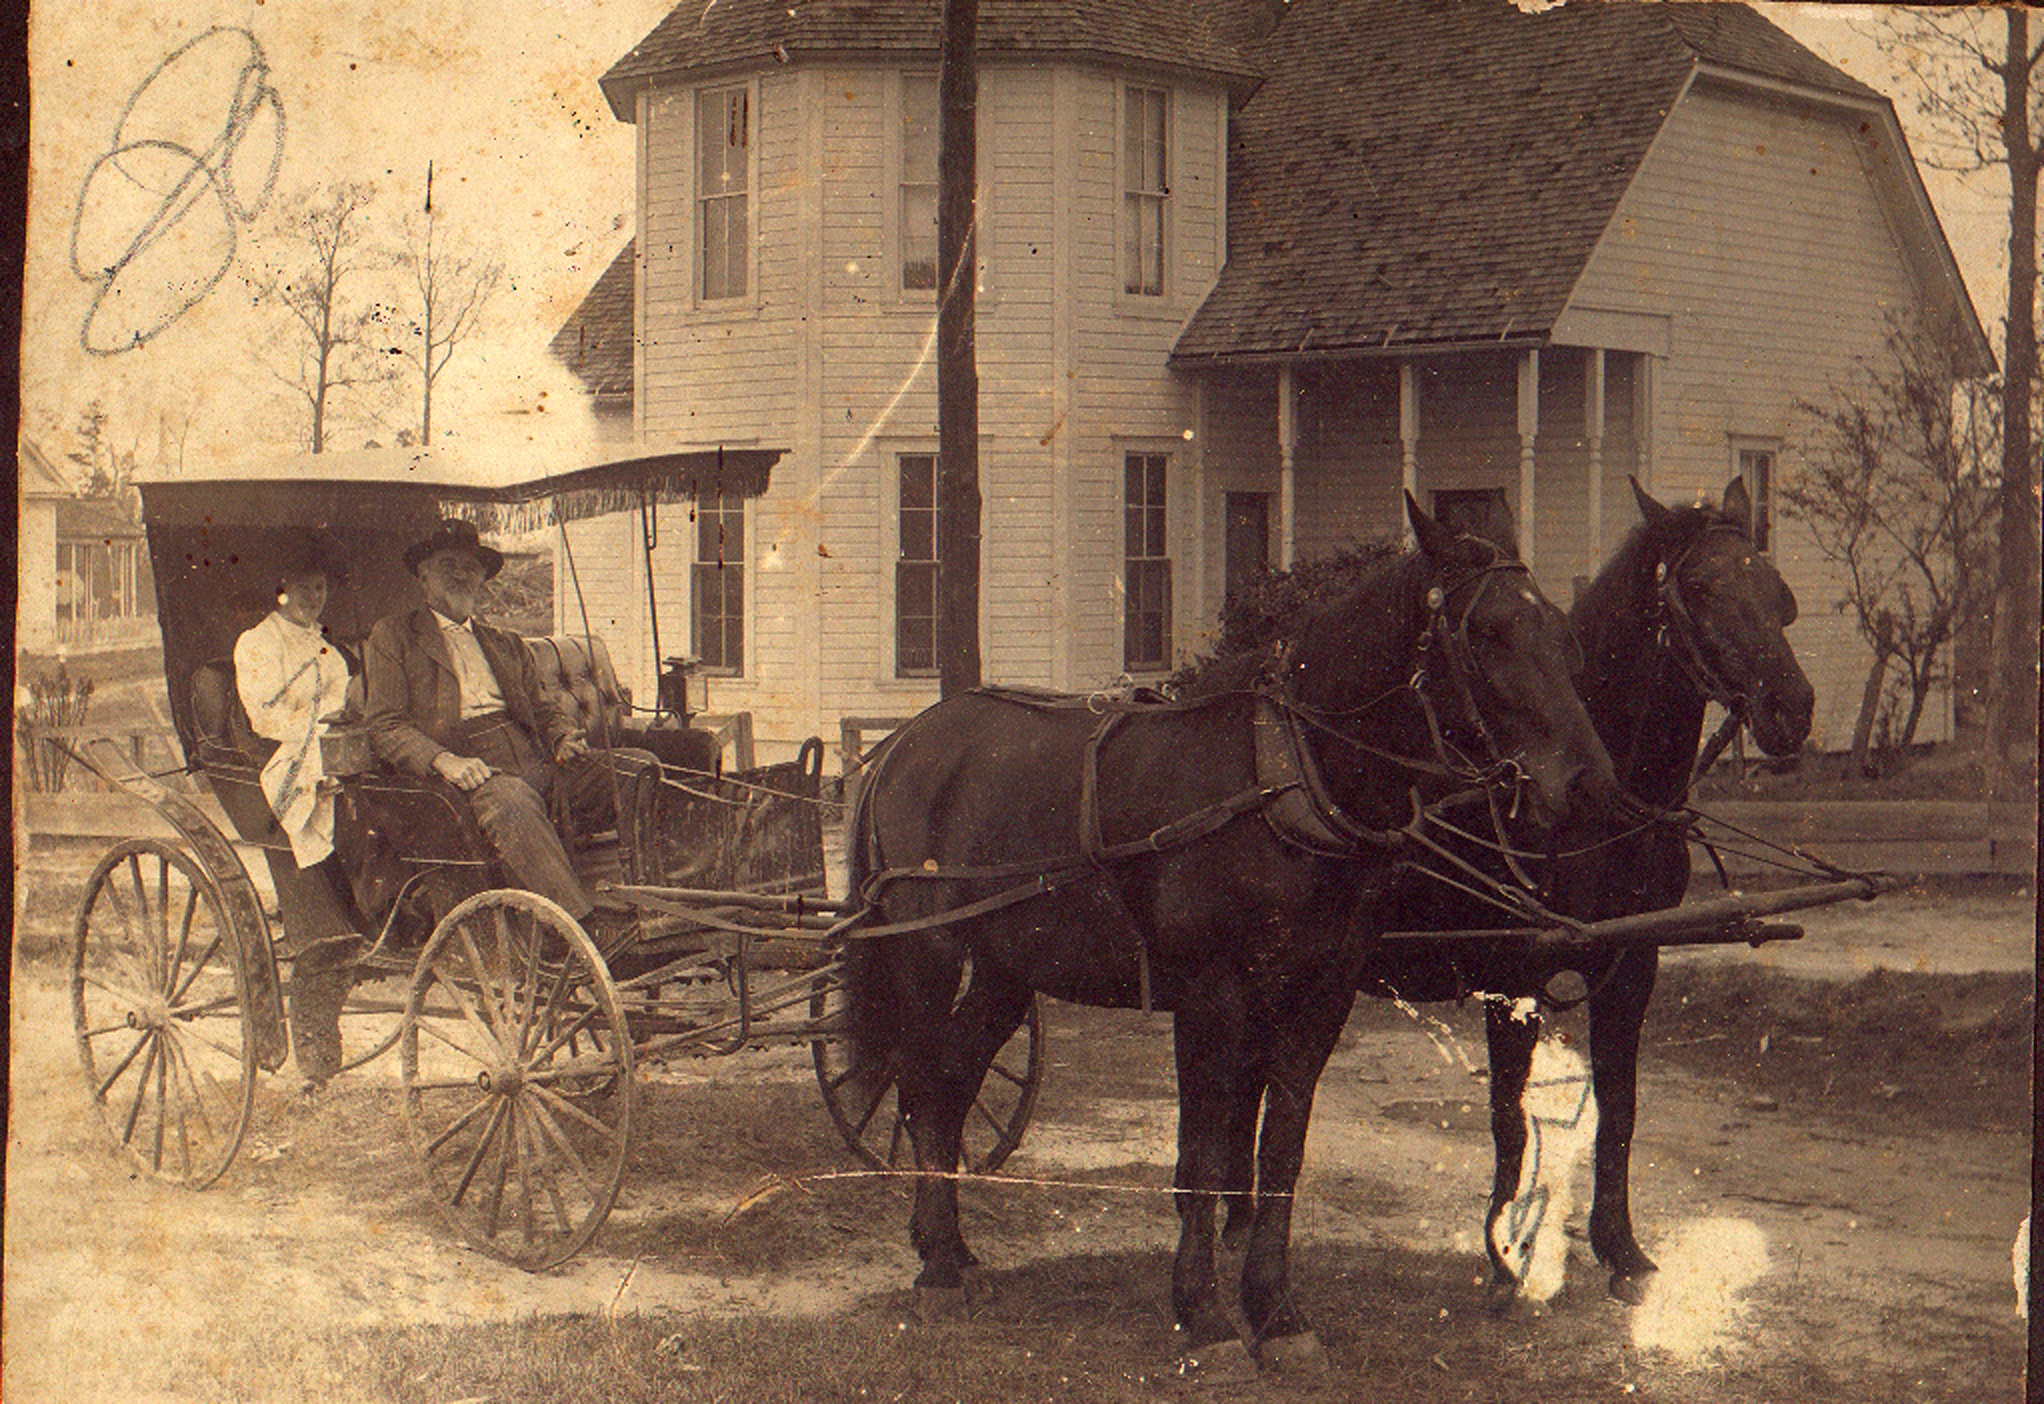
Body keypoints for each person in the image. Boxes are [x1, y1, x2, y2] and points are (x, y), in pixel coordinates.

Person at [364, 518, 653, 934]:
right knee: (512, 803)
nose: (461, 575)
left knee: (636, 770)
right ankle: (579, 930)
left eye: (470, 567)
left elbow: (544, 709)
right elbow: (385, 724)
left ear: (482, 578)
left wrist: (560, 737)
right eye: (448, 564)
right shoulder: (395, 636)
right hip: (467, 774)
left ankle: (655, 905)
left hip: (535, 759)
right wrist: (443, 760)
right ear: (423, 574)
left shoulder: (505, 642)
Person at [233, 531, 361, 1088]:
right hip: (282, 750)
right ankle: (321, 912)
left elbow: (343, 693)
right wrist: (315, 725)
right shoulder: (257, 643)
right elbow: (263, 715)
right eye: (304, 588)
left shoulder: (323, 645)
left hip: (326, 739)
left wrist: (338, 716)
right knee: (314, 772)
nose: (315, 597)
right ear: (281, 590)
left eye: (321, 587)